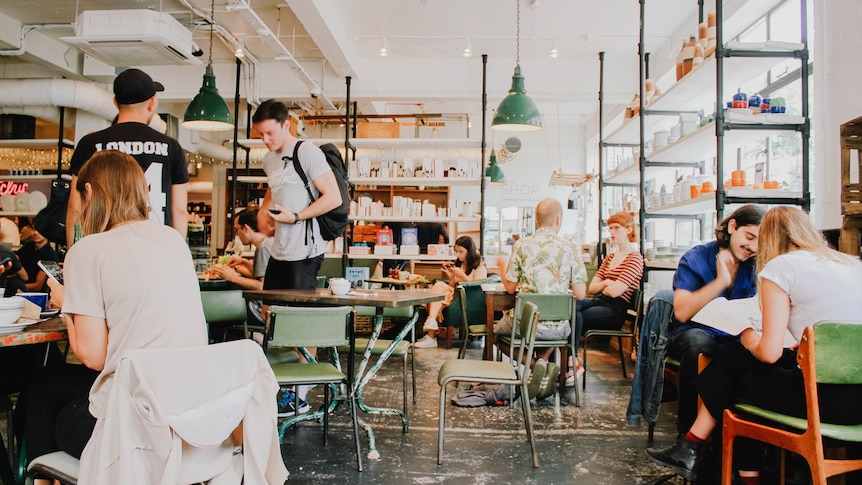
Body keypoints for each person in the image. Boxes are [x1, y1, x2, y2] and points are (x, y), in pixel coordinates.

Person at [647, 206, 862, 483]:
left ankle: (696, 449)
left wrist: (749, 337)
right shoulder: (853, 263)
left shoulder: (781, 267)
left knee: (743, 375)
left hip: (820, 401)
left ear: (770, 238)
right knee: (740, 363)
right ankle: (695, 448)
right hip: (857, 398)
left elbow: (769, 354)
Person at [23, 150, 208, 464]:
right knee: (49, 387)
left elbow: (93, 357)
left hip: (136, 425)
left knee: (39, 393)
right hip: (188, 411)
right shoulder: (173, 240)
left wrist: (67, 302)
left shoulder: (87, 250)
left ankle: (42, 475)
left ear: (90, 192)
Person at [252, 99, 343, 415]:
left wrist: (297, 216)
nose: (266, 140)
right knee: (271, 318)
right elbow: (274, 189)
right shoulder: (268, 159)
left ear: (286, 124)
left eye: (270, 133)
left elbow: (333, 197)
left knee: (301, 325)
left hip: (305, 251)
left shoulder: (307, 152)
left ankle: (300, 395)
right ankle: (277, 384)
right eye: (261, 135)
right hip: (279, 250)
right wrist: (266, 213)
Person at [65, 68, 189, 246]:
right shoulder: (171, 147)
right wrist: (177, 253)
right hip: (156, 246)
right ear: (152, 103)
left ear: (115, 102)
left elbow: (76, 206)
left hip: (106, 247)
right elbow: (179, 210)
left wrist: (73, 252)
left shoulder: (91, 144)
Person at [494, 198, 588, 397]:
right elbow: (580, 294)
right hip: (560, 328)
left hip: (526, 325)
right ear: (558, 219)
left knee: (495, 333)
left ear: (536, 220)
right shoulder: (571, 247)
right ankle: (543, 363)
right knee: (548, 329)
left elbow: (510, 288)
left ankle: (536, 365)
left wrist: (502, 267)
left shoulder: (521, 245)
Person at [570, 211, 644, 385]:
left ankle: (570, 361)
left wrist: (606, 284)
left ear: (628, 230)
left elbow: (616, 292)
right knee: (571, 304)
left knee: (573, 314)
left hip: (615, 310)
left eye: (616, 228)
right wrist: (607, 283)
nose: (612, 232)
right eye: (610, 228)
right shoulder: (610, 257)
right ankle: (570, 362)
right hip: (599, 301)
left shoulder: (635, 259)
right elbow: (593, 287)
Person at [414, 235, 487, 348]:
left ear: (470, 250)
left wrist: (461, 275)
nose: (458, 255)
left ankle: (431, 334)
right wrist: (450, 275)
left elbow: (477, 287)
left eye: (461, 252)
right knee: (437, 291)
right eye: (456, 251)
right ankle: (431, 326)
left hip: (468, 299)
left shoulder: (479, 265)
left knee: (437, 292)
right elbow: (453, 285)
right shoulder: (460, 264)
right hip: (455, 295)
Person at [212, 207, 274, 334]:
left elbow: (262, 286)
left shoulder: (263, 248)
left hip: (260, 310)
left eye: (237, 230)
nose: (237, 235)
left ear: (246, 228)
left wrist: (232, 277)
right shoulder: (269, 243)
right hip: (273, 307)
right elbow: (268, 276)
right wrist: (244, 262)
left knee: (217, 311)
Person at [15, 218, 59, 292]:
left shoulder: (50, 255)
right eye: (33, 229)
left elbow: (37, 286)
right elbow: (14, 259)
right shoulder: (27, 247)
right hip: (20, 289)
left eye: (40, 230)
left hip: (37, 295)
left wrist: (14, 287)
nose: (35, 233)